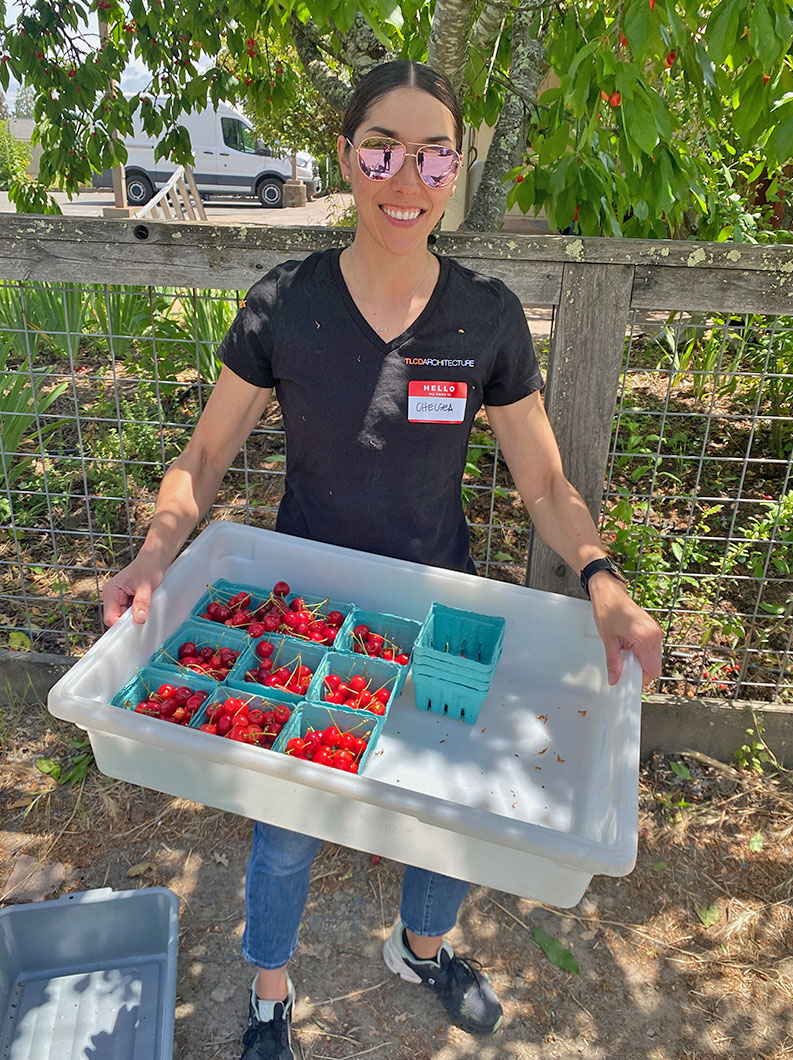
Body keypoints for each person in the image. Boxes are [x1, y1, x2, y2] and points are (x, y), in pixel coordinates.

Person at [103, 60, 662, 1060]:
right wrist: (153, 555)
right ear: (347, 159)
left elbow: (544, 484)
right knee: (284, 831)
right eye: (383, 150)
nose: (407, 178)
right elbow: (205, 452)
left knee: (450, 802)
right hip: (308, 607)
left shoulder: (486, 315)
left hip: (442, 597)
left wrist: (603, 581)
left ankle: (423, 944)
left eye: (434, 153)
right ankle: (270, 989)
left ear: (456, 166)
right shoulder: (286, 301)